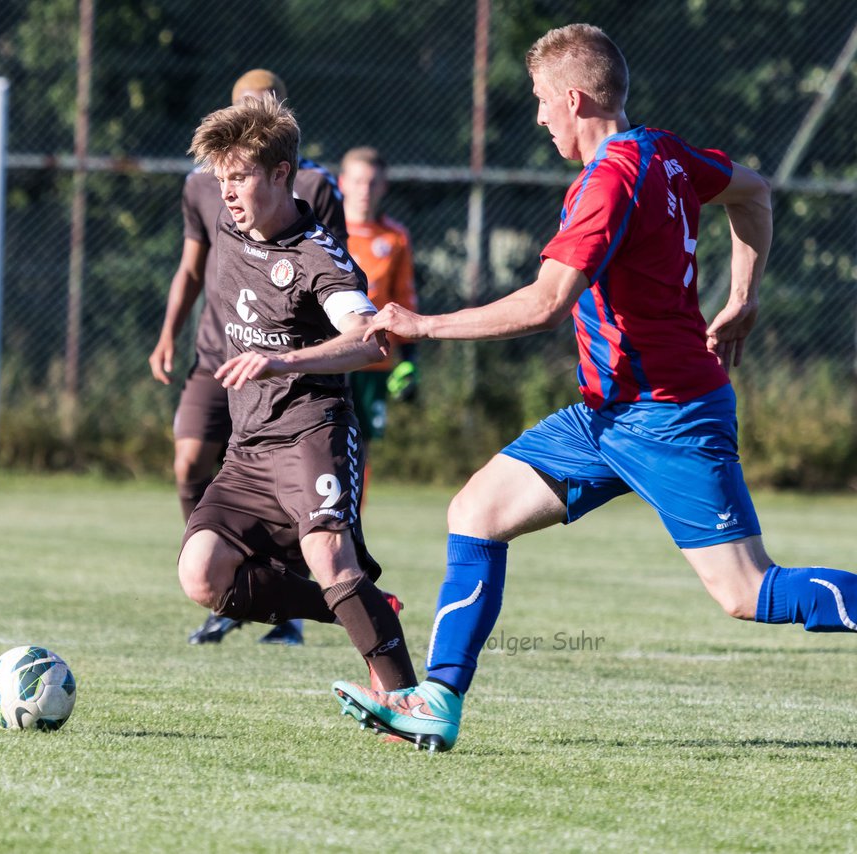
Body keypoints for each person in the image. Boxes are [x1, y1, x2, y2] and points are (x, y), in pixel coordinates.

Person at [331, 23, 857, 752]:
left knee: (747, 592)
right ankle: (438, 702)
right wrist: (745, 296)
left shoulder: (610, 179)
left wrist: (423, 326)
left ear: (574, 98)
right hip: (605, 416)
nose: (540, 116)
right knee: (476, 511)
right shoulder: (661, 151)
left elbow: (545, 302)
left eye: (544, 101)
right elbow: (754, 191)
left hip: (668, 415)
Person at [176, 93, 419, 694]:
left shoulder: (319, 257)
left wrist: (283, 360)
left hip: (312, 429)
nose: (226, 192)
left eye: (240, 178)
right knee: (200, 575)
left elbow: (371, 342)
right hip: (249, 446)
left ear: (282, 175)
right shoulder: (231, 223)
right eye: (220, 179)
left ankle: (408, 701)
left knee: (331, 558)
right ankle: (362, 608)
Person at [149, 69, 347, 647]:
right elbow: (191, 266)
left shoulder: (312, 185)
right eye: (245, 103)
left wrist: (305, 356)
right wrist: (168, 334)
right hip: (218, 353)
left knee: (294, 492)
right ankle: (227, 586)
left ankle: (280, 602)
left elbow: (327, 271)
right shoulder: (202, 183)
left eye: (268, 103)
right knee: (189, 464)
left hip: (283, 363)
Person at [337, 146, 420, 495]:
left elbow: (404, 299)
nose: (364, 190)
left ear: (383, 187)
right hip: (327, 356)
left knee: (360, 447)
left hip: (373, 360)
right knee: (319, 442)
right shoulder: (321, 229)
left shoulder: (394, 237)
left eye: (372, 182)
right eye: (357, 181)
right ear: (342, 183)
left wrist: (410, 362)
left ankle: (351, 527)